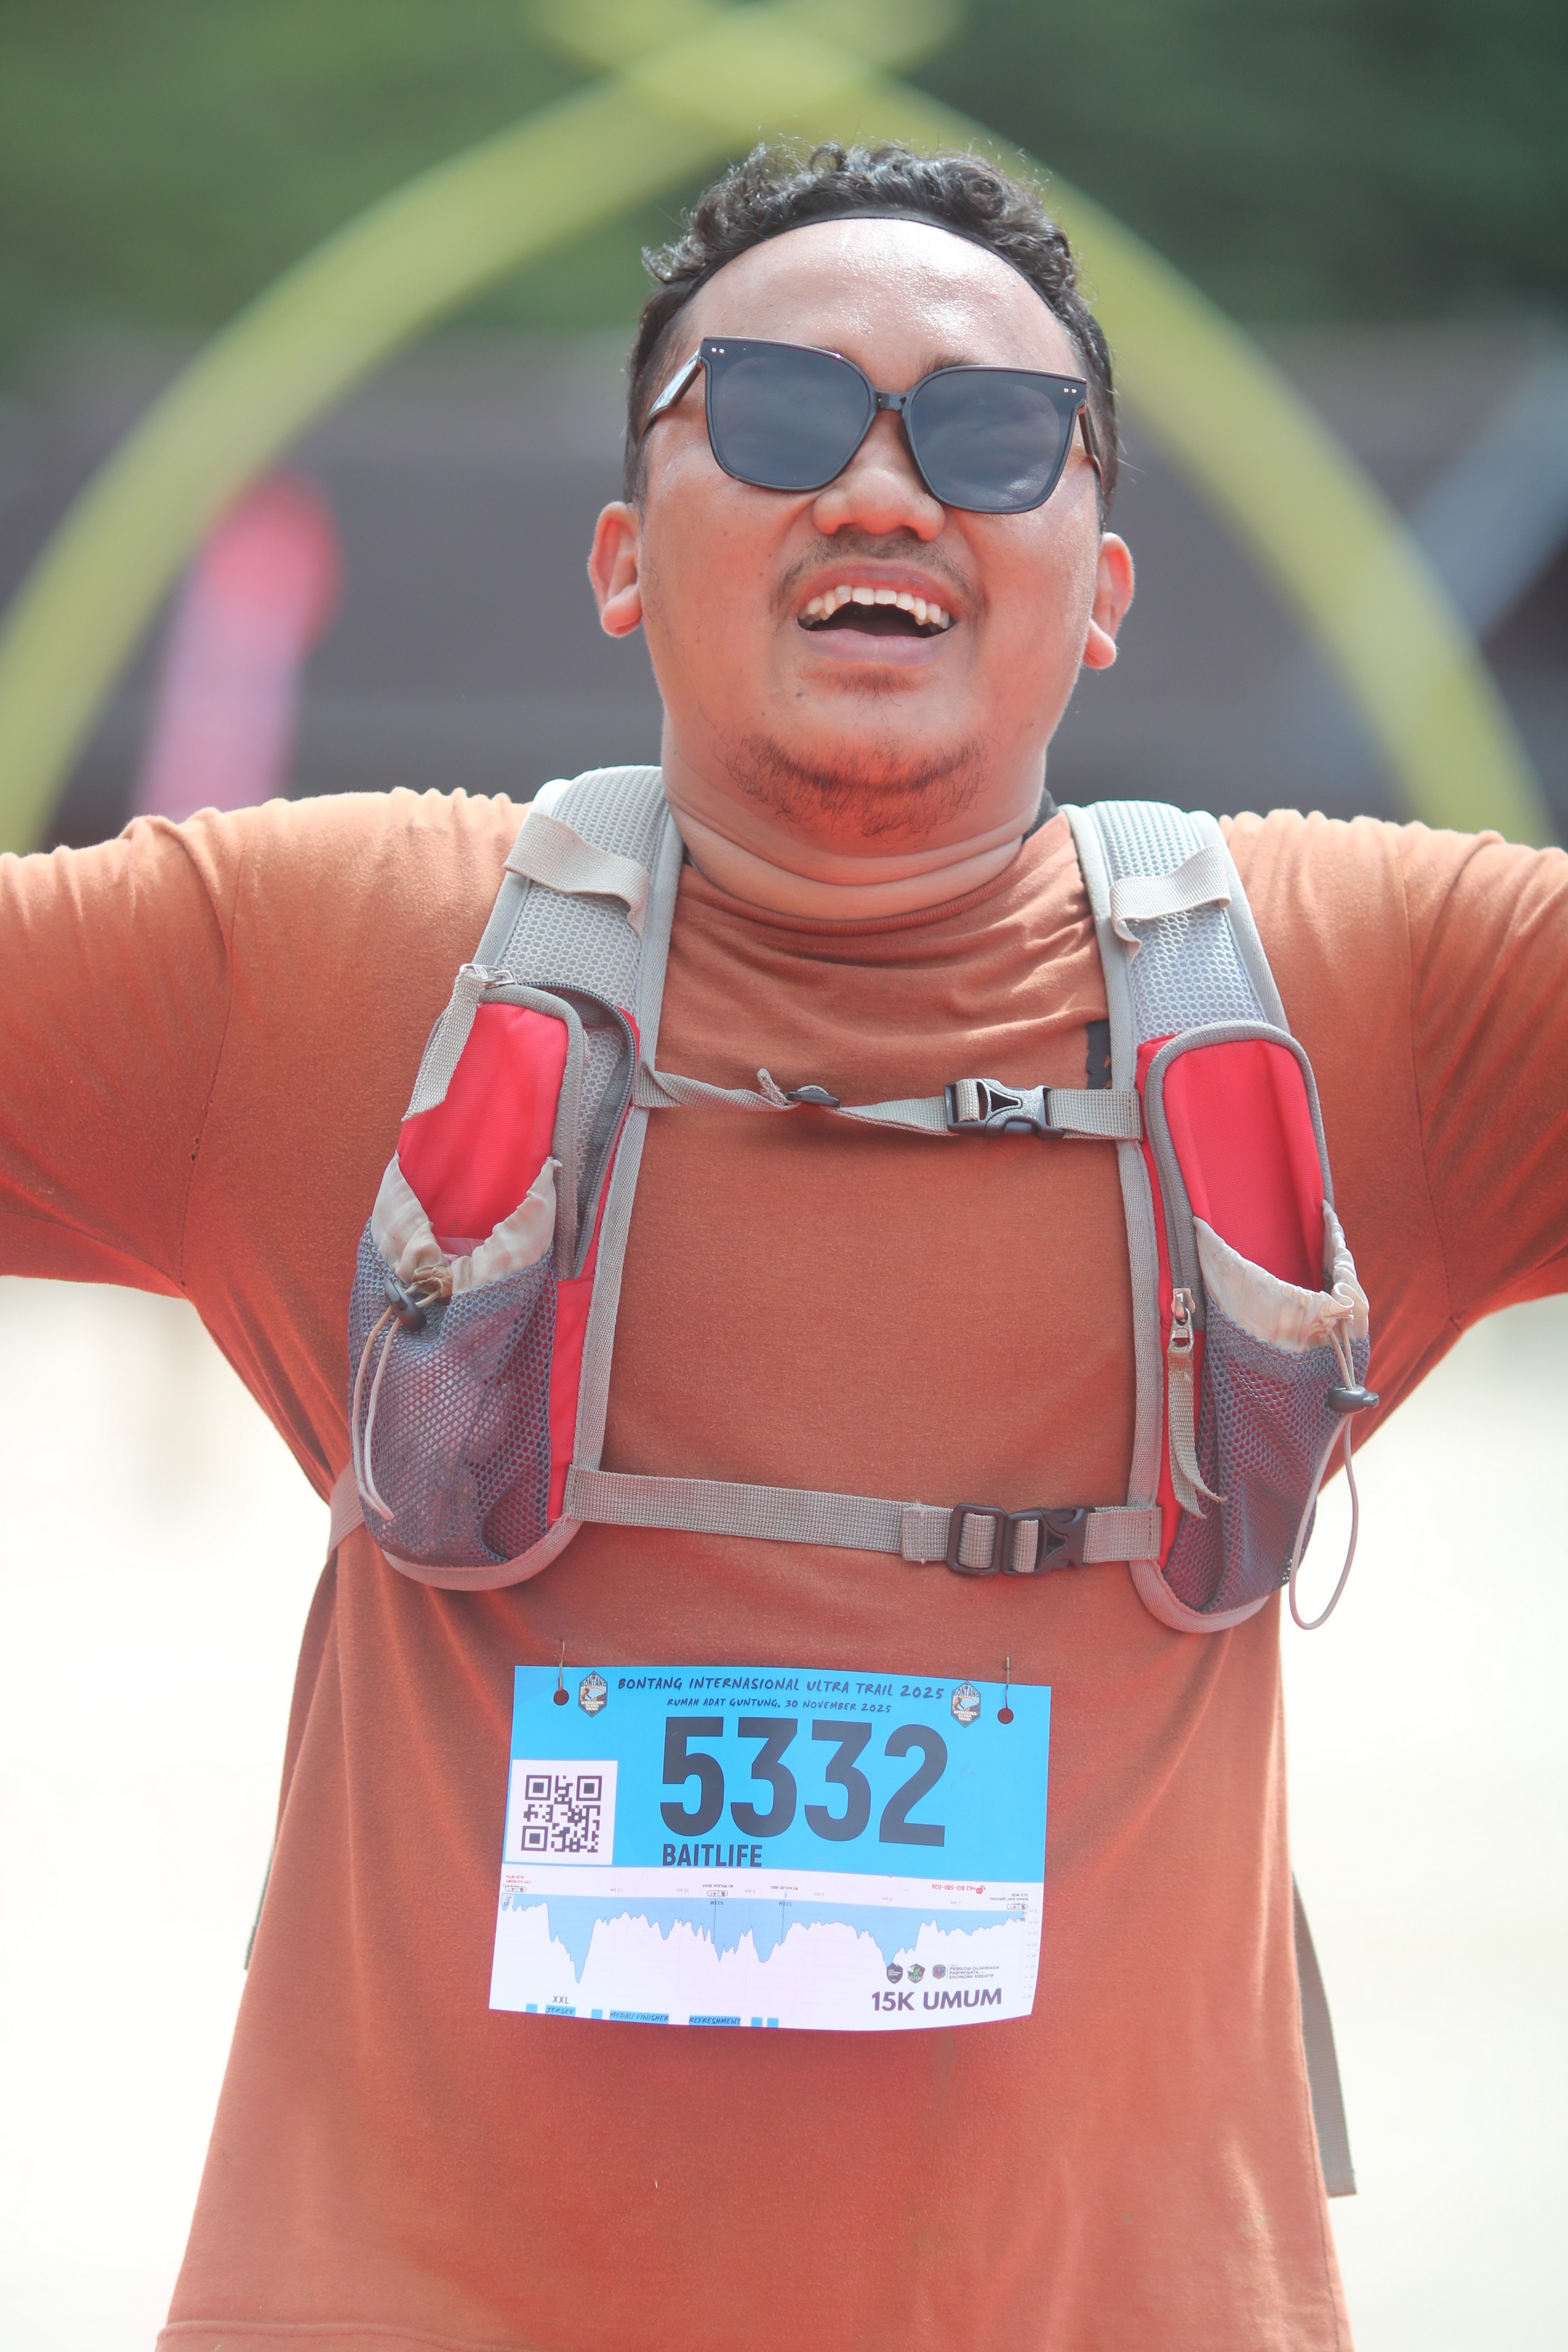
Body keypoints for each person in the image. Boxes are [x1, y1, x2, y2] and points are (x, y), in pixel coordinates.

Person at [2, 139, 1565, 2352]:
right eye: (778, 413)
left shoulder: (1357, 1005)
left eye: (996, 435)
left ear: (1103, 587)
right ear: (623, 556)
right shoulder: (317, 964)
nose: (884, 489)